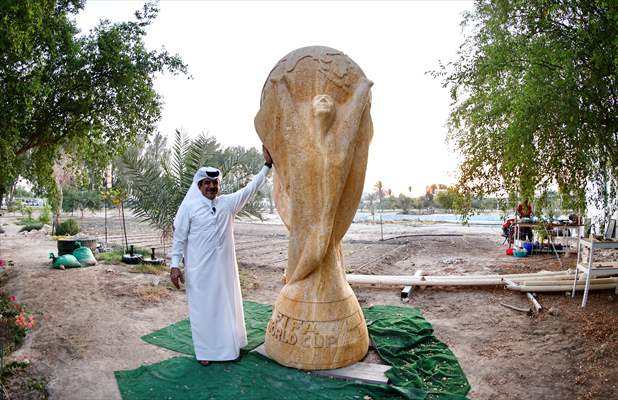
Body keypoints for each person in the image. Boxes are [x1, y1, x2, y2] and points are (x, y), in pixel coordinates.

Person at [169, 146, 273, 366]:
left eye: (215, 183)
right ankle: (205, 353)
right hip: (199, 272)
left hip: (224, 270)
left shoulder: (226, 203)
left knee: (225, 308)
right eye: (207, 183)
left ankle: (228, 350)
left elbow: (250, 189)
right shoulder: (189, 207)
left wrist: (267, 166)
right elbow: (179, 238)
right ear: (199, 186)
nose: (211, 186)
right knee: (203, 312)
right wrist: (175, 265)